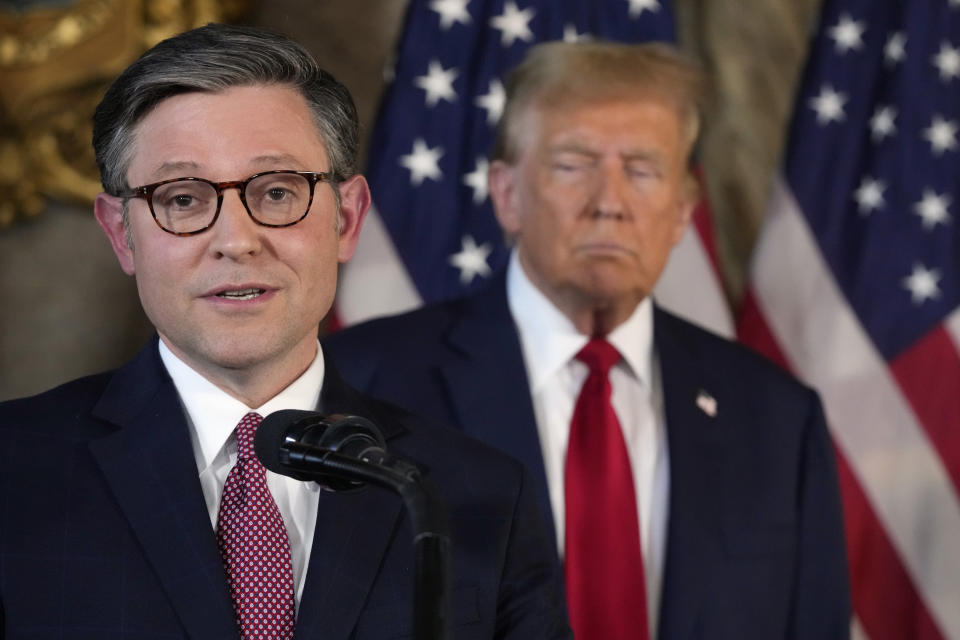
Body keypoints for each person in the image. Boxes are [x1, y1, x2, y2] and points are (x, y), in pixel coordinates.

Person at [0, 24, 571, 640]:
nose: (236, 240)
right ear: (121, 234)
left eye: (277, 191)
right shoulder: (13, 471)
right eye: (184, 199)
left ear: (347, 219)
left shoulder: (471, 494)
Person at [324, 41, 851, 640]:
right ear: (506, 193)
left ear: (682, 211)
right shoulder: (362, 382)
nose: (609, 204)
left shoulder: (777, 418)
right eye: (573, 165)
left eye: (643, 170)